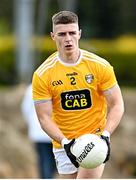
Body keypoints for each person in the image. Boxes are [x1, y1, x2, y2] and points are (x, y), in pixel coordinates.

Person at [32, 11, 124, 179]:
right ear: (53, 36)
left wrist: (105, 135)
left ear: (79, 33)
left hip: (94, 140)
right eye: (62, 34)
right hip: (64, 143)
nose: (68, 39)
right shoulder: (42, 74)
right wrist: (65, 141)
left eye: (72, 33)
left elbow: (117, 104)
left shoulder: (100, 66)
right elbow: (44, 118)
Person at [21, 84, 57, 179]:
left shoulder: (31, 88)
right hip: (50, 133)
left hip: (42, 133)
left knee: (46, 161)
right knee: (48, 162)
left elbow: (25, 109)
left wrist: (31, 124)